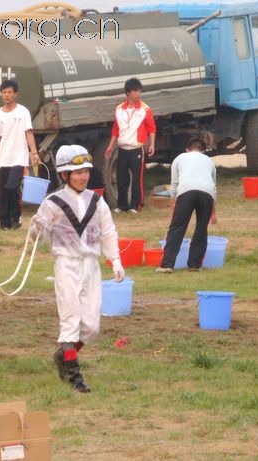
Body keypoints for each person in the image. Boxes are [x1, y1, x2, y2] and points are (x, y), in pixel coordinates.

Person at [30, 145, 125, 393]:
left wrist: (115, 260)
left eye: (85, 171)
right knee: (70, 320)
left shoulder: (97, 200)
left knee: (91, 327)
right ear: (64, 175)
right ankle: (74, 376)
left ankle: (65, 354)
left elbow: (108, 231)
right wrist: (36, 226)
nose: (83, 176)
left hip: (91, 266)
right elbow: (36, 237)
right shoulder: (53, 203)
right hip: (66, 265)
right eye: (76, 172)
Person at [156, 138, 217, 273]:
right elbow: (214, 188)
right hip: (207, 193)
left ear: (187, 149)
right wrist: (213, 213)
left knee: (177, 228)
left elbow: (174, 185)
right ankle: (194, 265)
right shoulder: (209, 161)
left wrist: (173, 207)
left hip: (186, 192)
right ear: (204, 151)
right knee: (201, 229)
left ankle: (167, 265)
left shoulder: (179, 158)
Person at [0, 79, 40, 230]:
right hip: (3, 159)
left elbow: (28, 133)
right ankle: (4, 222)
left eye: (10, 92)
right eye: (4, 92)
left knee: (12, 187)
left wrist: (34, 152)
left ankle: (16, 217)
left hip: (19, 157)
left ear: (15, 94)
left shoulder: (23, 112)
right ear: (1, 94)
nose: (7, 95)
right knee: (3, 191)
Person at [104, 77, 156, 214]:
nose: (138, 94)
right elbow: (115, 129)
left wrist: (152, 144)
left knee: (137, 179)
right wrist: (110, 146)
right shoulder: (119, 109)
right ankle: (122, 205)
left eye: (139, 91)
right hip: (122, 148)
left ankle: (136, 205)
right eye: (135, 91)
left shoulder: (145, 109)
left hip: (137, 148)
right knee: (122, 178)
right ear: (128, 93)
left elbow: (152, 128)